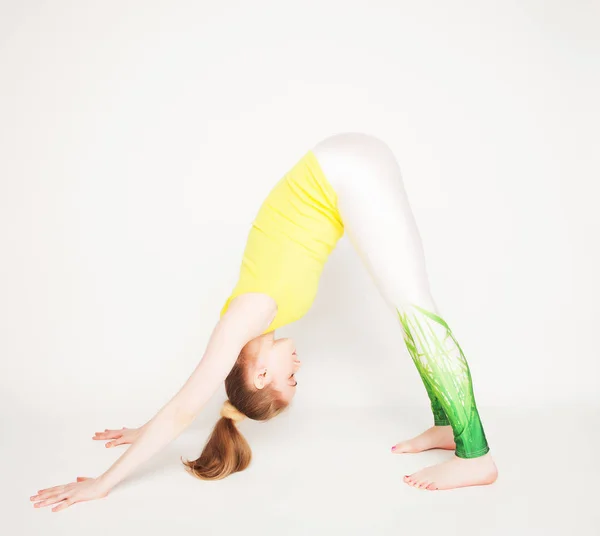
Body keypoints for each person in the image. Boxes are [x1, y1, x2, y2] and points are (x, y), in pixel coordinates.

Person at [30, 133, 498, 512]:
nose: (298, 365)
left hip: (346, 172)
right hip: (344, 168)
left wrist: (102, 483)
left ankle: (475, 456)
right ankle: (447, 426)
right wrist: (143, 427)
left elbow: (185, 407)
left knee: (418, 314)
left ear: (258, 374)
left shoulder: (248, 316)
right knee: (409, 313)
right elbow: (188, 396)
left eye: (290, 377)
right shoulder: (259, 321)